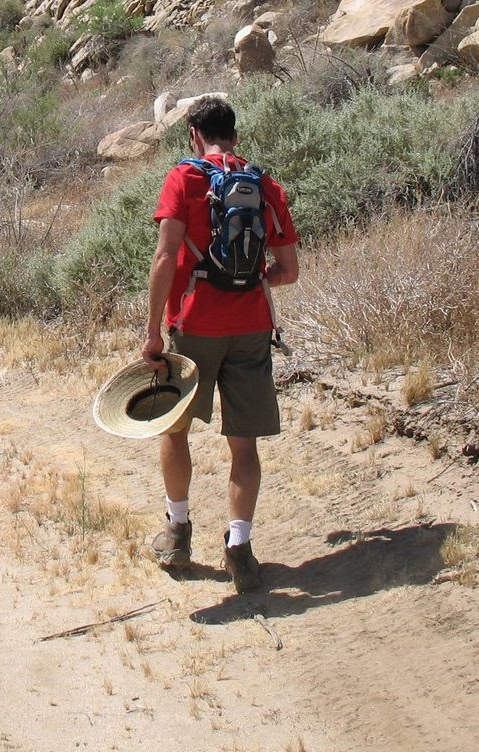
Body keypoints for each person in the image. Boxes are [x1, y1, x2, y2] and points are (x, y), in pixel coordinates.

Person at [141, 95, 298, 592]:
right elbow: (288, 271)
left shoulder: (184, 179)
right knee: (243, 442)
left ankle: (178, 530)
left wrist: (152, 331)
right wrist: (247, 282)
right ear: (234, 133)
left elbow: (166, 257)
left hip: (194, 325)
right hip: (251, 325)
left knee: (175, 430)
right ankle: (240, 547)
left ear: (193, 134)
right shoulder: (265, 183)